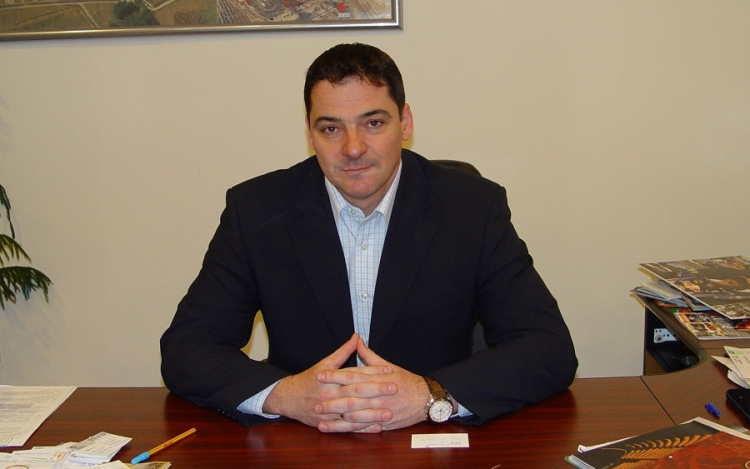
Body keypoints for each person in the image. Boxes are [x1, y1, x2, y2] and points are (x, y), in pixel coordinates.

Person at [160, 42, 578, 433]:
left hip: (430, 437)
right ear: (309, 133)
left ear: (405, 122)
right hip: (306, 439)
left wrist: (432, 395)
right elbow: (187, 348)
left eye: (373, 123)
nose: (353, 148)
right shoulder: (256, 210)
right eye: (331, 128)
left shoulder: (472, 208)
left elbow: (548, 347)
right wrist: (286, 396)